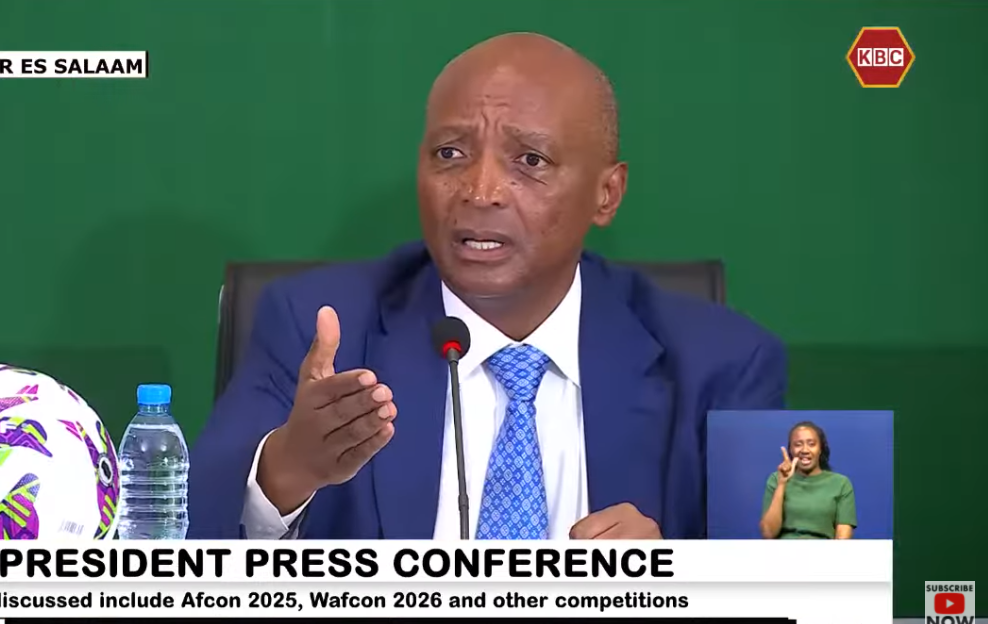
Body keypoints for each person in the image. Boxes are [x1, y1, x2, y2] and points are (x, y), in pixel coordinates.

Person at [186, 32, 786, 540]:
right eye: (450, 153)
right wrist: (288, 472)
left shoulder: (720, 364)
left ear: (606, 194)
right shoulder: (317, 328)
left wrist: (677, 580)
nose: (480, 191)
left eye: (530, 161)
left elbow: (780, 588)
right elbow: (180, 542)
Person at [759, 421, 857, 539]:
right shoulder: (776, 479)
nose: (805, 450)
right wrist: (781, 484)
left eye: (811, 444)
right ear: (791, 450)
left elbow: (843, 536)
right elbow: (768, 533)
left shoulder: (841, 483)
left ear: (820, 449)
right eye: (798, 444)